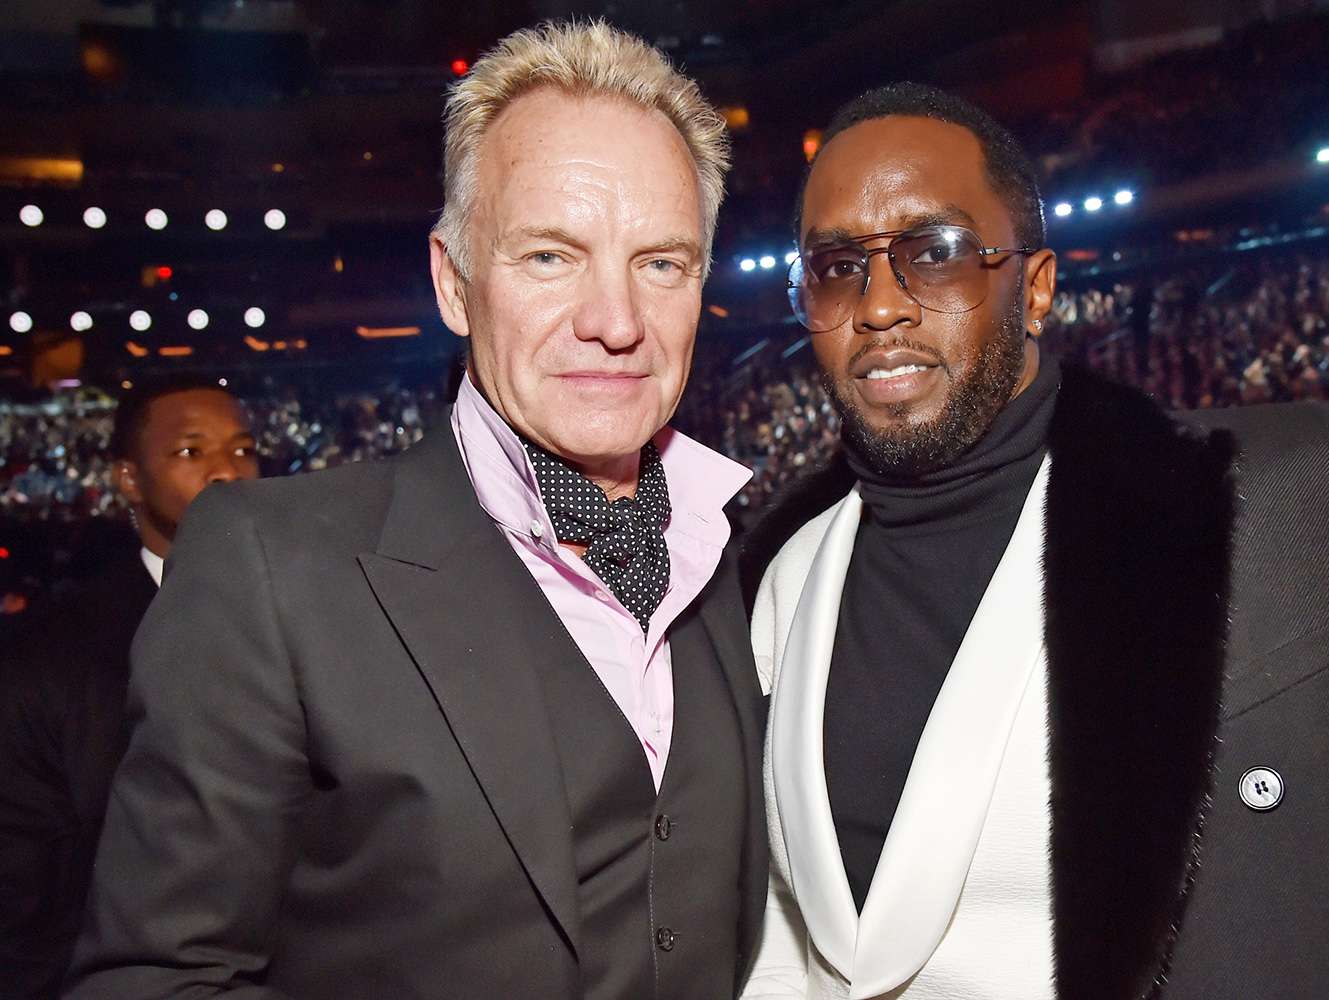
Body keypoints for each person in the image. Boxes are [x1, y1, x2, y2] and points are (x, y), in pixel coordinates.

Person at [740, 84, 1329, 999]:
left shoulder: (1265, 504)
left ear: (1037, 286)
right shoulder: (771, 575)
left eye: (934, 253)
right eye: (836, 267)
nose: (880, 306)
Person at [66, 21, 766, 1000]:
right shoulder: (273, 564)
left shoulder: (722, 545)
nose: (616, 321)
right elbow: (153, 978)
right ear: (453, 280)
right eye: (551, 257)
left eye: (661, 263)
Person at [1, 376, 259, 999]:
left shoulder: (326, 617)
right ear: (128, 479)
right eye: (191, 452)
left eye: (243, 449)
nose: (227, 470)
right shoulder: (51, 655)